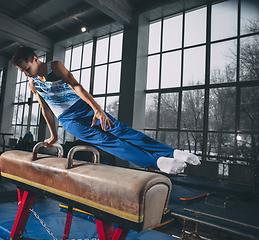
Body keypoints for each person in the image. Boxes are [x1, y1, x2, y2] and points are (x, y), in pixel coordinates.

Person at [12, 46, 200, 174]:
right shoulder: (33, 84)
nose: (26, 73)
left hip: (84, 107)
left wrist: (98, 109)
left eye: (27, 68)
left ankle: (173, 153)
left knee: (119, 130)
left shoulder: (55, 66)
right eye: (22, 71)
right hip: (69, 120)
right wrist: (53, 135)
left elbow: (77, 86)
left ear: (36, 59)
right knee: (108, 141)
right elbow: (45, 109)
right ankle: (157, 162)